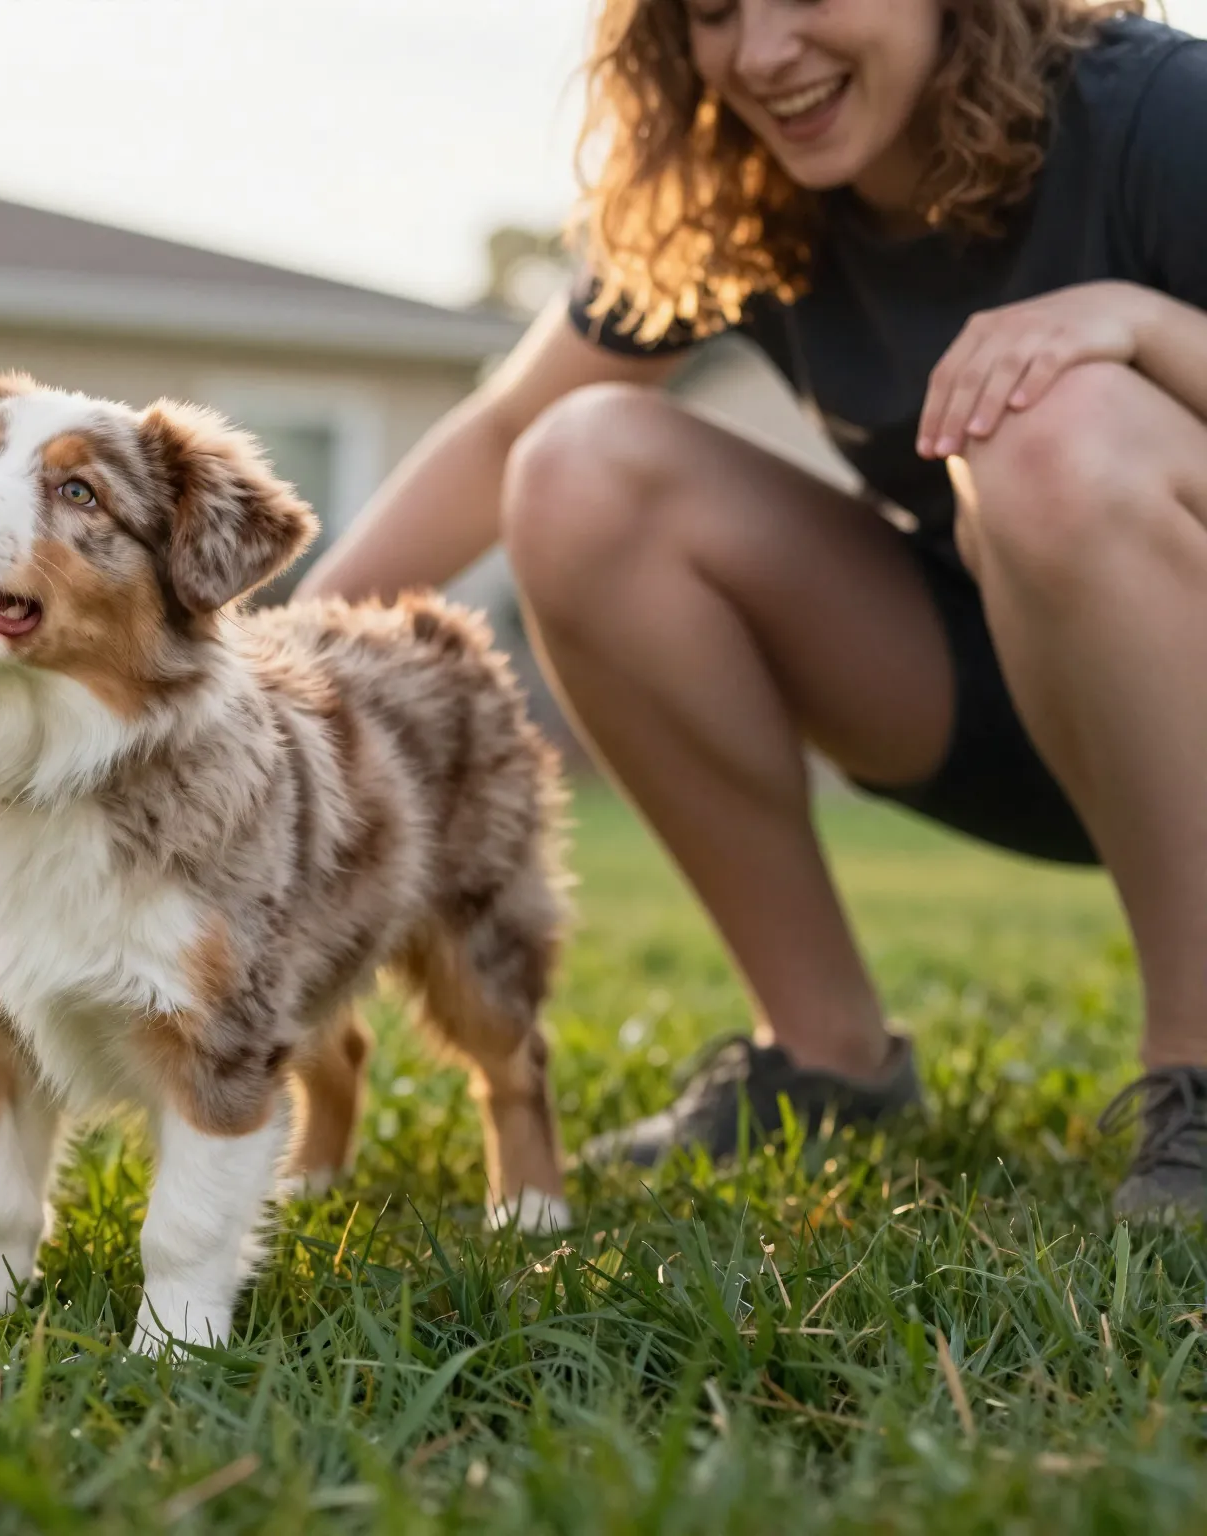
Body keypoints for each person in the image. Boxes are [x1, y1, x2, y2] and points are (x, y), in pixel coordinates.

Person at [301, 0, 1207, 1220]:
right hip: (1018, 700)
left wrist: (1142, 327)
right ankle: (825, 1057)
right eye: (715, 12)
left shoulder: (1156, 114)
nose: (763, 53)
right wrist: (266, 675)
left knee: (1052, 425)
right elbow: (506, 429)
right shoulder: (739, 189)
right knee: (579, 468)